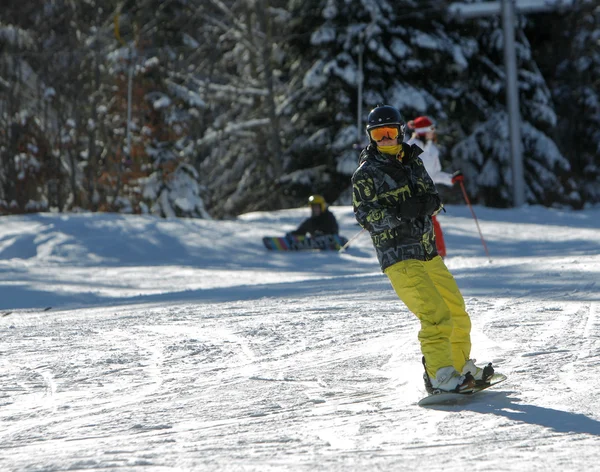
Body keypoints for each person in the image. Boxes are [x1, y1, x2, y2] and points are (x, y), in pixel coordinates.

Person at [351, 104, 493, 394]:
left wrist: (431, 203)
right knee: (435, 314)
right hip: (398, 255)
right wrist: (400, 212)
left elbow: (432, 196)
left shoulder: (414, 162)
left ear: (402, 132)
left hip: (427, 250)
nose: (386, 139)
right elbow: (366, 217)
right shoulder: (366, 174)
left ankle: (459, 367)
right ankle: (440, 375)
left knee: (455, 310)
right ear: (371, 137)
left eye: (390, 132)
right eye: (379, 134)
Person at [406, 116, 463, 258]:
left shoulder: (432, 150)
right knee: (417, 226)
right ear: (422, 131)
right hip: (412, 196)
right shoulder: (410, 147)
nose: (434, 132)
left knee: (433, 224)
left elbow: (435, 174)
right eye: (431, 129)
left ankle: (438, 254)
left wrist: (450, 179)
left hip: (428, 195)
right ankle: (416, 256)